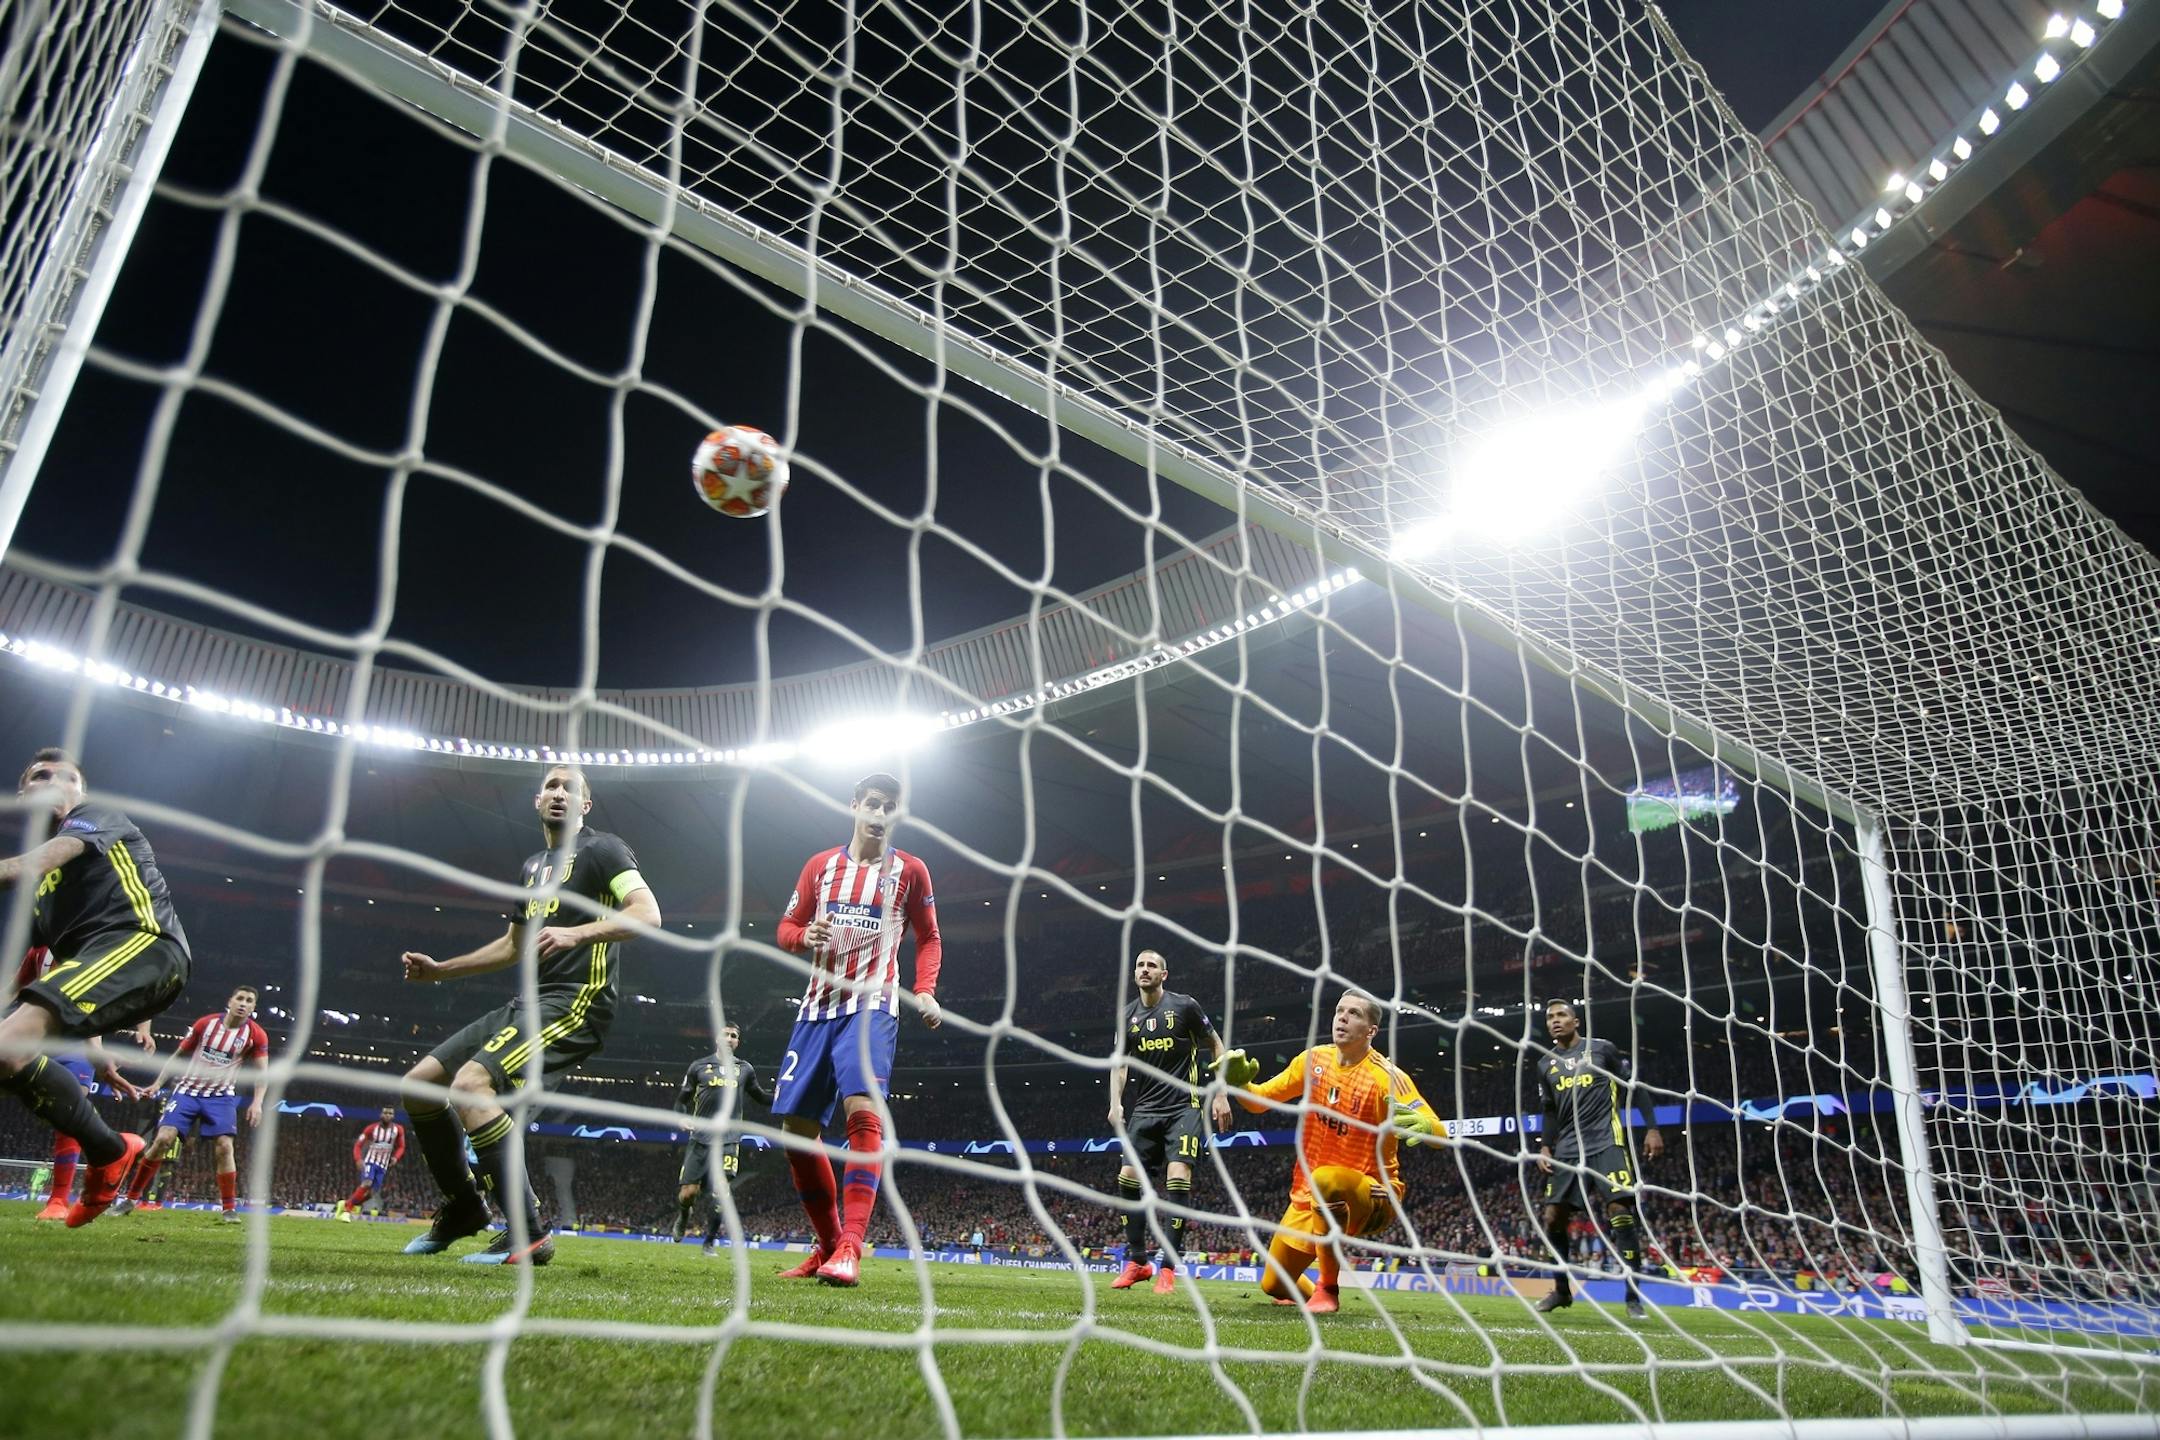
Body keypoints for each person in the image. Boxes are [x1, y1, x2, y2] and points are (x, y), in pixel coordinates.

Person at [397, 764, 660, 1266]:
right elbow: (513, 945)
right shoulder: (533, 866)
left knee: (470, 1087)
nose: (560, 793)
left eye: (572, 788)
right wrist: (440, 971)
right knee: (419, 1084)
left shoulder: (603, 850)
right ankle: (466, 1208)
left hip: (579, 999)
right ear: (537, 800)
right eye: (552, 786)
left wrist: (578, 933)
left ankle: (528, 1234)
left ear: (586, 806)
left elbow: (648, 913)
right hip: (527, 1003)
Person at [0, 748, 189, 1226]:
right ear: (24, 793)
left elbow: (29, 864)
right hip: (105, 969)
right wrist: (96, 1047)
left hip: (145, 945)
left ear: (79, 791)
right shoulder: (42, 897)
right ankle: (108, 1151)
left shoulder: (93, 818)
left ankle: (104, 1154)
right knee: (6, 1054)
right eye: (40, 775)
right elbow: (26, 975)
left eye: (65, 777)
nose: (53, 781)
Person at [771, 772, 942, 1287]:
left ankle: (851, 1246)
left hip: (873, 1005)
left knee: (861, 1111)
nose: (881, 813)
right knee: (796, 1133)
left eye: (891, 806)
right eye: (873, 803)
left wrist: (926, 988)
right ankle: (826, 1247)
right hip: (816, 1010)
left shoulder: (910, 871)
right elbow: (784, 930)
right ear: (854, 805)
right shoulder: (820, 867)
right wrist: (805, 935)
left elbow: (929, 937)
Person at [1213, 991, 1438, 1314]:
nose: (1342, 1018)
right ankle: (1312, 1294)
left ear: (1371, 1031)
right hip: (1310, 1195)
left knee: (1326, 1179)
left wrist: (1427, 1127)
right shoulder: (1314, 1060)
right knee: (1274, 1284)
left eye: (1354, 1014)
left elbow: (1438, 1132)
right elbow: (1259, 1102)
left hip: (1372, 1194)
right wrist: (1239, 1086)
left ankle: (1328, 1289)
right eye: (1339, 1011)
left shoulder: (1385, 1078)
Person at [1529, 997, 1664, 1319]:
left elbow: (1635, 1087)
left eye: (1562, 1015)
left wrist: (1653, 1128)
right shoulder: (1545, 1064)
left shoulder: (1603, 1049)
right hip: (1568, 1149)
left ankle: (1633, 1297)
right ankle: (1562, 1291)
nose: (1555, 1020)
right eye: (1550, 1017)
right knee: (1552, 1218)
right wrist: (1546, 1146)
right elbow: (1549, 1111)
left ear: (1576, 1022)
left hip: (1606, 1141)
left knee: (1620, 1212)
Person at [1106, 949, 1232, 1293]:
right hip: (1145, 1108)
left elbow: (1216, 1045)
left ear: (1164, 974)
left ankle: (1169, 1266)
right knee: (1127, 1177)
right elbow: (1120, 1064)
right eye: (1140, 966)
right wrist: (1115, 1103)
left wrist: (1220, 1094)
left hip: (1184, 1105)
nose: (1144, 970)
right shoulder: (1127, 1016)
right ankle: (1137, 1262)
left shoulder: (1184, 1007)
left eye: (1151, 966)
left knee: (1178, 1175)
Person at [17, 944, 154, 1221]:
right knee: (50, 1110)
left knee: (69, 1112)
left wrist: (99, 1051)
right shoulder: (39, 952)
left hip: (77, 1042)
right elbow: (14, 988)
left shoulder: (94, 948)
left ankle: (58, 1200)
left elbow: (109, 999)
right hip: (34, 1038)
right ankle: (113, 1149)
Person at [118, 985, 268, 1220]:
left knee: (225, 1147)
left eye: (249, 1000)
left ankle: (229, 1209)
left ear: (253, 1008)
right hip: (187, 1091)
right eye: (239, 998)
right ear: (229, 1001)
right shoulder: (205, 1024)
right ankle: (129, 1199)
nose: (243, 1003)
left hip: (221, 1097)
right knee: (162, 1139)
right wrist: (158, 1083)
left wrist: (257, 1102)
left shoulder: (255, 1035)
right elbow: (177, 1057)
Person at [673, 1021, 773, 1253]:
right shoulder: (698, 1066)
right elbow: (682, 1100)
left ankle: (709, 1242)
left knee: (721, 1194)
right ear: (717, 1039)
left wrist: (783, 1097)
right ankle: (684, 1214)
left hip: (728, 1140)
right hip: (699, 1139)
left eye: (734, 1036)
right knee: (689, 1194)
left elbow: (760, 1096)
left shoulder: (744, 1069)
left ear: (738, 1042)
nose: (729, 1039)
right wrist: (681, 1117)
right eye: (726, 1034)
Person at [338, 1106, 407, 1220]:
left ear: (393, 1116)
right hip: (370, 1161)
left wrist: (395, 1158)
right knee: (367, 1183)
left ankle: (347, 1203)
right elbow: (358, 1145)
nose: (388, 1115)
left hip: (383, 1165)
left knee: (371, 1193)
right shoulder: (371, 1128)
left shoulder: (398, 1129)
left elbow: (401, 1146)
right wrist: (358, 1159)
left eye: (390, 1113)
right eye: (385, 1113)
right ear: (381, 1114)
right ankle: (347, 1211)